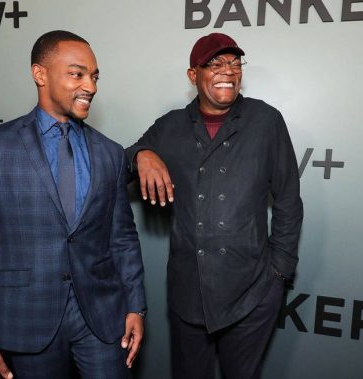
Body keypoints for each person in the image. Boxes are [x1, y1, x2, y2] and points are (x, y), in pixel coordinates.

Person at [0, 30, 146, 379]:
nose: (91, 86)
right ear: (40, 74)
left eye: (94, 76)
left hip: (101, 319)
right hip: (26, 319)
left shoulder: (110, 153)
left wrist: (136, 307)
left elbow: (123, 238)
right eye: (77, 73)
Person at [126, 33, 303, 379]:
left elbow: (288, 198)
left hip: (252, 289)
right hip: (188, 290)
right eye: (216, 63)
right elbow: (118, 168)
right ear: (193, 75)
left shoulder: (265, 121)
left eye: (235, 63)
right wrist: (141, 154)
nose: (228, 70)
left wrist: (280, 272)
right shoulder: (169, 126)